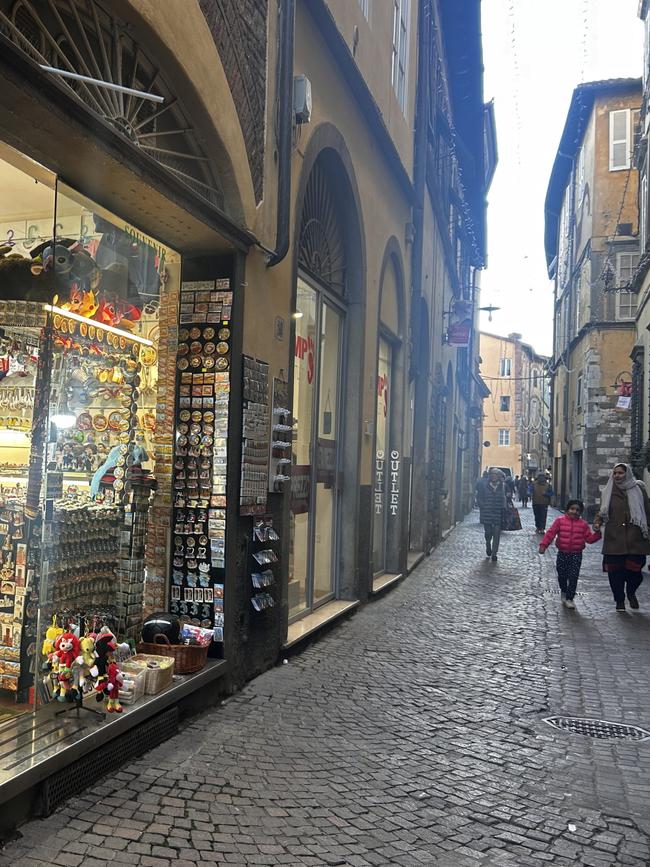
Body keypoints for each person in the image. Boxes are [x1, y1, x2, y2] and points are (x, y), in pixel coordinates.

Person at [594, 462, 650, 612]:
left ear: (627, 473)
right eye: (615, 473)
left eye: (621, 473)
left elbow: (647, 511)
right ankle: (619, 600)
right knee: (615, 573)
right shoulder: (608, 491)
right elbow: (602, 511)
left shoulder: (639, 490)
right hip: (614, 539)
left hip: (636, 539)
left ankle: (631, 592)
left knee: (636, 573)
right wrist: (597, 522)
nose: (617, 476)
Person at [539, 499, 601, 609]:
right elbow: (551, 533)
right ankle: (564, 590)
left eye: (577, 510)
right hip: (562, 553)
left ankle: (569, 598)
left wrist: (597, 533)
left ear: (580, 512)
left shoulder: (583, 524)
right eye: (572, 509)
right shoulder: (560, 521)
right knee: (562, 575)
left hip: (576, 554)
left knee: (573, 576)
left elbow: (589, 539)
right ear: (568, 509)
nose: (574, 512)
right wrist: (544, 545)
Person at [477, 468, 506, 562]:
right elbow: (479, 497)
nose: (494, 476)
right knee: (488, 533)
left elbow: (504, 498)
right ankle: (488, 545)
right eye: (492, 474)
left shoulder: (502, 486)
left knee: (497, 534)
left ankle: (494, 553)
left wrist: (504, 508)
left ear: (499, 477)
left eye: (496, 475)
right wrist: (483, 506)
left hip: (498, 513)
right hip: (487, 513)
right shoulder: (484, 486)